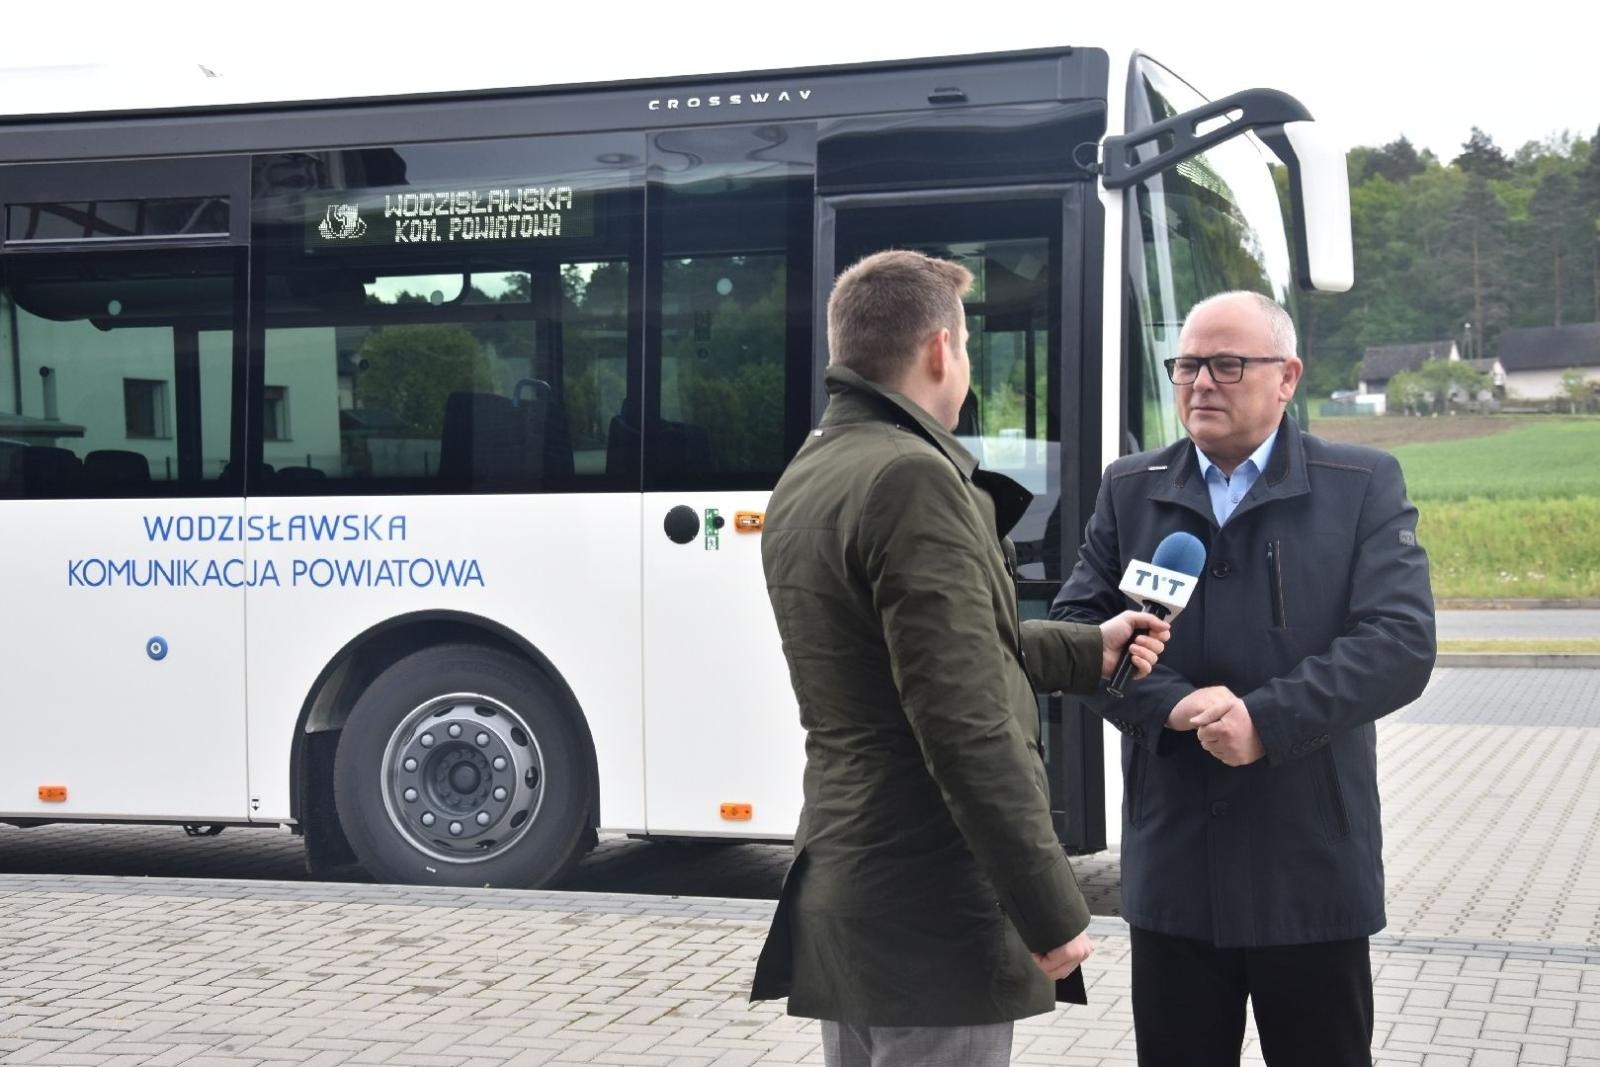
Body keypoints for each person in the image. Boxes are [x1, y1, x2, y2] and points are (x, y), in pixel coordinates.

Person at [749, 249, 1170, 1067]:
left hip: (856, 885)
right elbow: (964, 721)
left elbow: (925, 653)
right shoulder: (914, 475)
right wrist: (1050, 911)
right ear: (942, 350)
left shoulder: (813, 468)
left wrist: (1089, 646)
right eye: (968, 345)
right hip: (932, 908)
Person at [1050, 290, 1436, 1066]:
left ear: (1287, 376)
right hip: (1176, 868)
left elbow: (1400, 640)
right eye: (1187, 364)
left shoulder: (1359, 483)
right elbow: (1075, 638)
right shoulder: (1133, 486)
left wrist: (1268, 719)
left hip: (1309, 870)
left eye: (1227, 364)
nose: (1200, 383)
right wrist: (1174, 703)